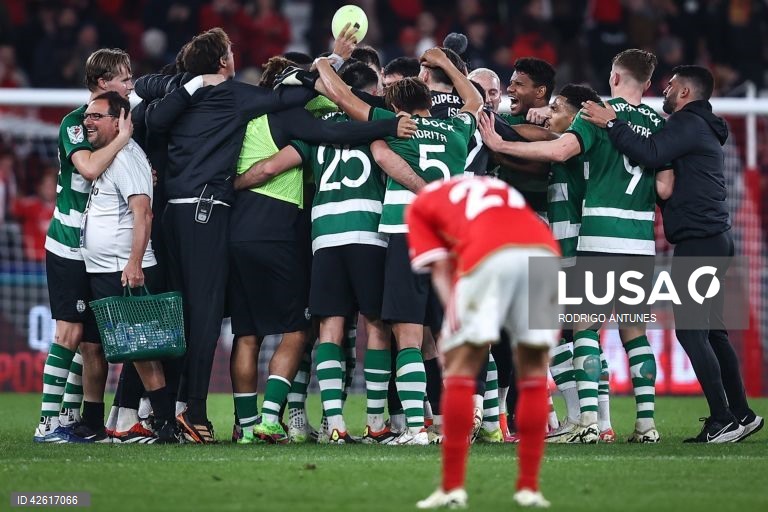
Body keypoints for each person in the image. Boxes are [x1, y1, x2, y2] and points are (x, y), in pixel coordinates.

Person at [135, 27, 325, 443]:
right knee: (202, 317)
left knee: (183, 315)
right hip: (205, 212)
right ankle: (194, 414)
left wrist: (187, 86)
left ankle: (168, 411)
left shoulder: (184, 95)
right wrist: (326, 67)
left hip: (172, 215)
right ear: (223, 61)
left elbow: (149, 106)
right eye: (231, 52)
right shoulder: (230, 94)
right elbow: (284, 98)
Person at [479, 49, 670, 443]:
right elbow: (666, 187)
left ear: (614, 77)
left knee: (581, 328)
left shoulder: (595, 116)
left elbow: (559, 149)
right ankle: (645, 424)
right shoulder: (659, 125)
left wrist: (500, 142)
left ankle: (585, 422)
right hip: (641, 238)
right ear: (648, 83)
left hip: (597, 233)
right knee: (635, 331)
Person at [581, 65, 764, 443]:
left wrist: (613, 123)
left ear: (684, 93)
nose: (664, 89)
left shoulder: (687, 124)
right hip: (715, 238)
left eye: (671, 85)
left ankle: (723, 418)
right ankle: (742, 413)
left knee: (692, 333)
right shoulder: (702, 126)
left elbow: (650, 153)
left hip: (700, 241)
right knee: (714, 332)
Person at [313, 47, 483, 445]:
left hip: (408, 235)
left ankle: (416, 430)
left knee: (407, 337)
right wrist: (444, 64)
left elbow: (343, 100)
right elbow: (474, 99)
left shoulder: (394, 125)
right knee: (441, 337)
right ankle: (449, 423)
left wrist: (324, 62)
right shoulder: (457, 128)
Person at [408, 176, 560, 510]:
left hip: (487, 255)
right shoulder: (496, 185)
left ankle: (451, 488)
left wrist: (451, 324)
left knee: (461, 370)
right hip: (543, 254)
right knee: (534, 374)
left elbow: (441, 268)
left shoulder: (420, 204)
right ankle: (529, 488)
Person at [34, 48, 133, 443]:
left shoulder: (120, 123)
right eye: (124, 78)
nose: (131, 84)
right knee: (69, 334)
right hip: (68, 243)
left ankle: (74, 418)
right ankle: (47, 421)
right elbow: (90, 168)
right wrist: (123, 141)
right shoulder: (75, 123)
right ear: (101, 84)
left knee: (92, 343)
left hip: (98, 246)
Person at [79, 92, 179, 443]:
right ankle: (92, 422)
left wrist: (134, 263)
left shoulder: (127, 158)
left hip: (123, 268)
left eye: (96, 116)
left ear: (120, 121)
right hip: (102, 268)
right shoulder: (111, 156)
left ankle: (166, 424)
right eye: (87, 116)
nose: (88, 122)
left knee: (142, 349)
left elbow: (143, 213)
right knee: (100, 347)